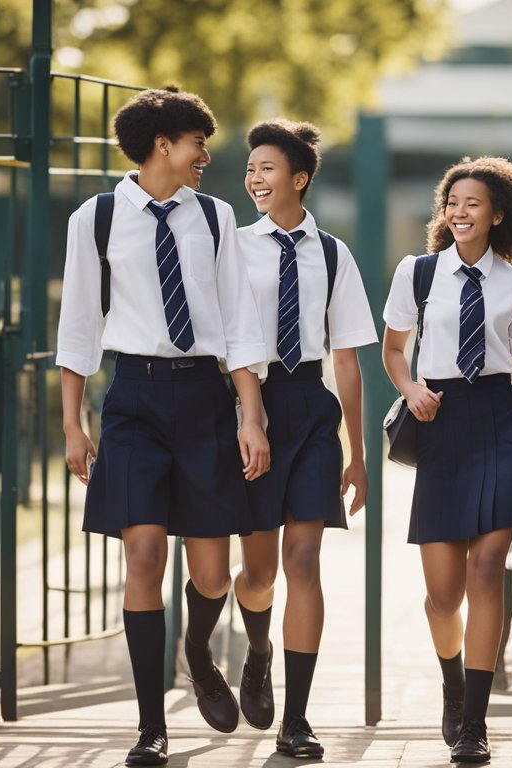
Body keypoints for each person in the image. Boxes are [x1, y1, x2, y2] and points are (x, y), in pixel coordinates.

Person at [55, 88, 270, 767]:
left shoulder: (214, 217)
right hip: (135, 401)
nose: (206, 156)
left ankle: (199, 654)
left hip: (206, 398)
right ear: (161, 147)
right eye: (196, 144)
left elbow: (238, 322)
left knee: (212, 575)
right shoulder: (96, 219)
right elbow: (78, 327)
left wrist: (252, 415)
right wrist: (73, 422)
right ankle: (152, 727)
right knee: (143, 557)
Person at [381, 156, 512, 764]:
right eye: (452, 202)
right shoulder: (417, 273)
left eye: (473, 204)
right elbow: (393, 351)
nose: (459, 212)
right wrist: (410, 389)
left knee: (488, 574)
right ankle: (453, 683)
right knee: (442, 595)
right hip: (439, 423)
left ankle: (475, 724)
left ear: (498, 215)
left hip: (498, 424)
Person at [230, 119, 377, 758]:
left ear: (299, 178)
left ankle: (297, 719)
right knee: (258, 573)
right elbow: (228, 345)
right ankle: (258, 647)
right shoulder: (230, 248)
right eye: (250, 168)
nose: (254, 179)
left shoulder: (335, 254)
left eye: (267, 168)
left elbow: (347, 359)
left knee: (305, 563)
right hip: (252, 407)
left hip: (312, 408)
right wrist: (249, 415)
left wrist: (358, 453)